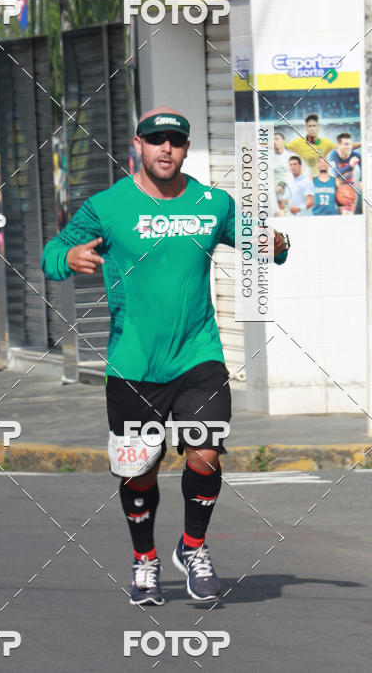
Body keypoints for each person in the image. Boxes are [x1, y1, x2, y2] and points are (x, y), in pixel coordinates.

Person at [41, 107, 290, 606]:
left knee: (204, 453)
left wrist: (279, 243)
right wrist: (67, 258)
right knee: (140, 470)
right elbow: (51, 255)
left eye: (175, 141)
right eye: (156, 140)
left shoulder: (212, 203)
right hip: (133, 365)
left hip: (198, 357)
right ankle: (145, 562)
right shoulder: (108, 207)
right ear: (138, 144)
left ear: (186, 147)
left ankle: (193, 547)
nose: (166, 149)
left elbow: (266, 245)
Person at [285, 114, 336, 178]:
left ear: (318, 128)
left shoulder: (326, 143)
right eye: (310, 126)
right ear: (306, 128)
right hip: (305, 180)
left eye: (314, 126)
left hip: (321, 180)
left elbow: (342, 146)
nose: (312, 128)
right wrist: (268, 144)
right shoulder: (297, 143)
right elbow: (280, 146)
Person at [328, 133, 361, 215]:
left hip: (348, 190)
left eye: (350, 144)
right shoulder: (332, 156)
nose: (349, 147)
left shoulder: (356, 155)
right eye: (346, 144)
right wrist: (350, 166)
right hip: (334, 188)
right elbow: (336, 173)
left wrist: (361, 180)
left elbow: (363, 164)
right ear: (339, 145)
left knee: (347, 214)